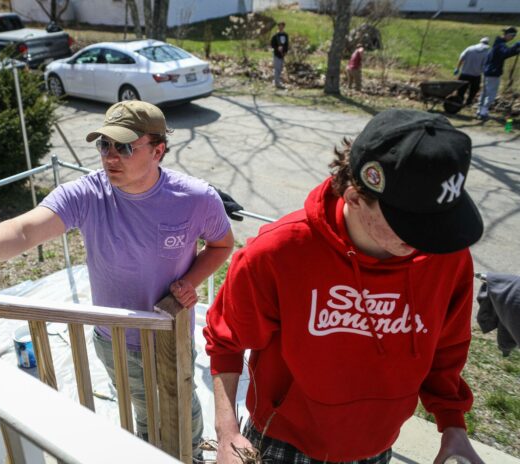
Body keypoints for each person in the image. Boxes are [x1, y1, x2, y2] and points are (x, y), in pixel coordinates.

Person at [0, 100, 235, 460]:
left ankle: (191, 456)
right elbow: (25, 230)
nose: (111, 156)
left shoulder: (195, 198)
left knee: (184, 412)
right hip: (113, 338)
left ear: (158, 150)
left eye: (124, 147)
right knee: (143, 414)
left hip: (170, 334)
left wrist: (190, 281)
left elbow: (222, 245)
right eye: (104, 145)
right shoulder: (87, 193)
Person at [204, 109, 485, 464]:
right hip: (285, 442)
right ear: (355, 197)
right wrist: (227, 433)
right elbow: (226, 342)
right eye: (413, 226)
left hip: (376, 445)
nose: (429, 241)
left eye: (439, 224)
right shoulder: (277, 253)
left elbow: (447, 347)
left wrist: (452, 426)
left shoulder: (445, 253)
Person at [477, 27, 520, 121]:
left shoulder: (498, 44)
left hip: (487, 71)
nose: (513, 38)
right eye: (512, 35)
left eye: (514, 36)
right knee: (491, 93)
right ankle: (483, 112)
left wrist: (516, 51)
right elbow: (506, 53)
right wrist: (516, 45)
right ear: (507, 34)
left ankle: (479, 110)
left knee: (484, 92)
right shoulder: (500, 45)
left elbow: (504, 54)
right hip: (493, 72)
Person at [454, 37, 490, 106]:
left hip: (465, 73)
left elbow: (461, 58)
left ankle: (458, 101)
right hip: (476, 75)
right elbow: (485, 65)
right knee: (473, 90)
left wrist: (457, 68)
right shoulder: (486, 52)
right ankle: (468, 102)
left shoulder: (470, 48)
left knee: (461, 89)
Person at [270, 21, 289, 89]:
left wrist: (285, 51)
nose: (281, 27)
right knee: (277, 69)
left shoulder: (285, 35)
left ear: (284, 27)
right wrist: (277, 48)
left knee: (280, 69)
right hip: (277, 54)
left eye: (282, 26)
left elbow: (286, 44)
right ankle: (277, 83)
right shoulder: (275, 36)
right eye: (279, 26)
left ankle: (278, 81)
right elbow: (272, 44)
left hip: (282, 55)